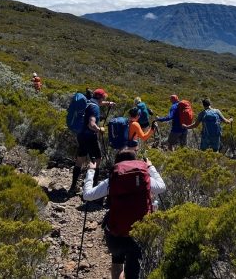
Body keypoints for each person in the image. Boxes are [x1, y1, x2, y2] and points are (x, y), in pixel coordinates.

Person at [83, 150, 166, 279]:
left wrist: (91, 171)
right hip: (139, 233)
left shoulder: (113, 179)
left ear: (117, 163)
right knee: (133, 271)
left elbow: (88, 195)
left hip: (116, 232)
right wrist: (150, 167)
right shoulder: (145, 178)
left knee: (117, 260)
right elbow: (162, 187)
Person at [69, 88, 113, 194]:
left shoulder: (88, 102)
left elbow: (98, 103)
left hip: (81, 135)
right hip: (90, 137)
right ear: (100, 98)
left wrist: (108, 103)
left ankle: (73, 187)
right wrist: (99, 129)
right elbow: (91, 124)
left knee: (80, 159)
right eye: (104, 98)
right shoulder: (95, 108)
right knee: (97, 159)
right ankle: (93, 188)